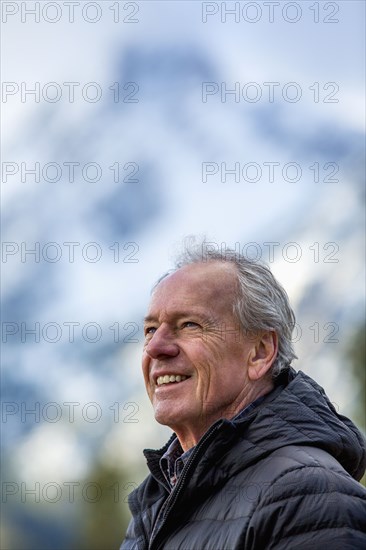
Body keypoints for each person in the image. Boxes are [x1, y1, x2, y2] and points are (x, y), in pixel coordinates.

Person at [121, 242, 366, 549]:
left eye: (189, 325)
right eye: (150, 330)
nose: (155, 347)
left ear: (260, 353)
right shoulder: (158, 502)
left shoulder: (309, 497)